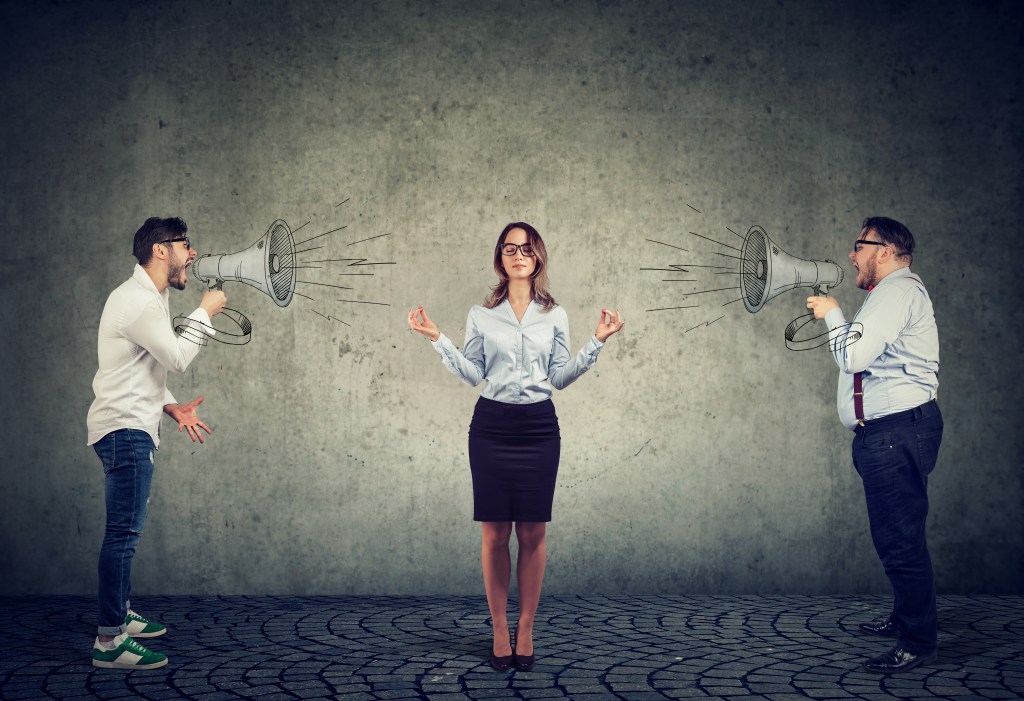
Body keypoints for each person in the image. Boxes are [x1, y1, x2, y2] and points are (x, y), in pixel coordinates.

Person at [409, 222, 624, 672]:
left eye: (526, 248)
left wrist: (596, 344)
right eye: (510, 248)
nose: (518, 254)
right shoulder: (481, 315)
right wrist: (437, 337)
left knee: (532, 533)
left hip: (538, 429)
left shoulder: (555, 315)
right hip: (491, 427)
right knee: (493, 536)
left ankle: (525, 628)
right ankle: (499, 631)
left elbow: (560, 377)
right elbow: (472, 374)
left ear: (537, 257)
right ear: (500, 259)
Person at [86, 217, 227, 670]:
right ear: (162, 250)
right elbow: (178, 357)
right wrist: (206, 311)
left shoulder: (147, 297)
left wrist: (171, 407)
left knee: (125, 533)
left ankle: (120, 615)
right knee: (123, 536)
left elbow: (136, 365)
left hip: (129, 425)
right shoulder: (140, 302)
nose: (193, 255)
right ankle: (110, 643)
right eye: (187, 246)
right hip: (126, 431)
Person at [807, 216, 942, 674]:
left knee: (899, 541)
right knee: (899, 535)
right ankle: (908, 617)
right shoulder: (889, 294)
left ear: (883, 250)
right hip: (892, 432)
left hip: (896, 433)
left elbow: (854, 356)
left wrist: (831, 313)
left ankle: (918, 642)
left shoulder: (898, 291)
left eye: (858, 245)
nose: (851, 254)